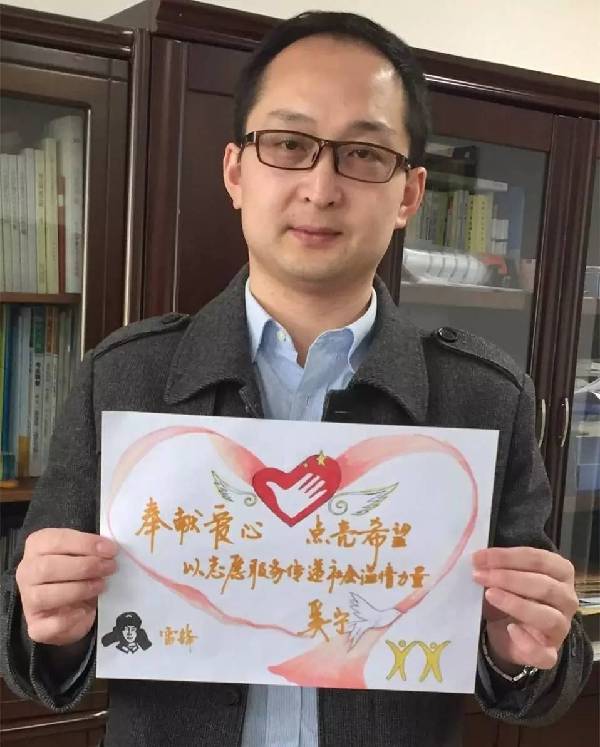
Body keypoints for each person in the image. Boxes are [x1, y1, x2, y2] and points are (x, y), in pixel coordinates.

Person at [1, 10, 592, 747]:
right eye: (288, 143)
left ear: (409, 194)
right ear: (236, 171)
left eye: (364, 154)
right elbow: (31, 650)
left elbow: (540, 673)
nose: (321, 186)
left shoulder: (487, 397)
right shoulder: (123, 377)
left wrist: (520, 647)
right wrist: (51, 625)